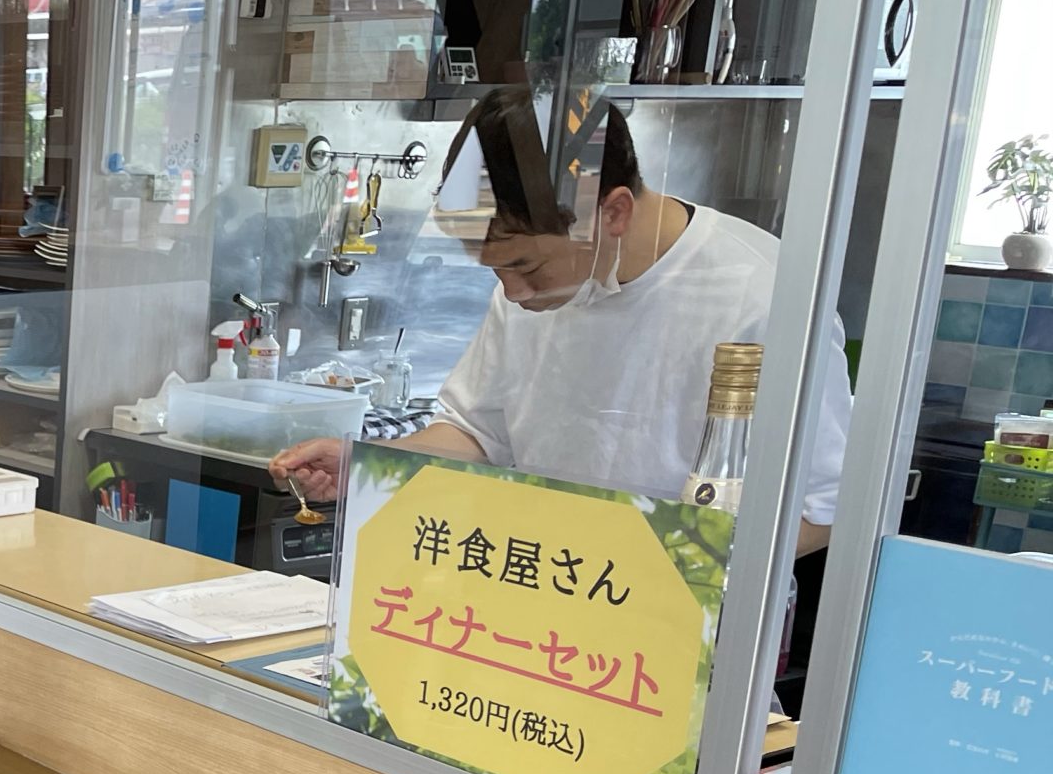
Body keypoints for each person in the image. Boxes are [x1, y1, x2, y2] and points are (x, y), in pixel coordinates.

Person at [269, 87, 848, 555]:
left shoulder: (762, 296)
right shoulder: (538, 290)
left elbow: (823, 509)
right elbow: (477, 432)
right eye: (495, 271)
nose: (512, 293)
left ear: (612, 212)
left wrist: (674, 571)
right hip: (545, 595)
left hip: (680, 626)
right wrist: (365, 464)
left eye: (527, 266)